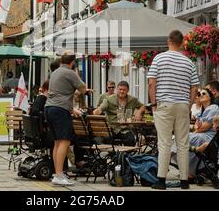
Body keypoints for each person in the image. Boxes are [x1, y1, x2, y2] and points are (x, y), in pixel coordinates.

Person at [148, 30, 199, 190]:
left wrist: (154, 104)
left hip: (164, 104)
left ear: (168, 41)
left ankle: (161, 180)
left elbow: (152, 83)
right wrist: (189, 105)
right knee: (183, 143)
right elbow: (194, 86)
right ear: (182, 42)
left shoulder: (159, 58)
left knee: (164, 143)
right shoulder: (189, 62)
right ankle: (184, 181)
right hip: (183, 105)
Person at [44, 51, 87, 186]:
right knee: (65, 142)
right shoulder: (70, 73)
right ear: (72, 62)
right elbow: (83, 89)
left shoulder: (55, 72)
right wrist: (77, 74)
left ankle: (57, 174)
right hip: (60, 109)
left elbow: (63, 90)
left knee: (57, 142)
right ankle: (59, 175)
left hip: (49, 108)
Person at [172, 88, 219, 179]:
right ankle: (188, 170)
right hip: (202, 135)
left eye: (204, 93)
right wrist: (195, 129)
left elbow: (204, 128)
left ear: (210, 97)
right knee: (181, 138)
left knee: (185, 138)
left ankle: (165, 160)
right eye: (199, 94)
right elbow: (197, 127)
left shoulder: (213, 108)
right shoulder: (202, 111)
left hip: (209, 137)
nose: (200, 95)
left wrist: (195, 130)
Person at [93, 81, 146, 146]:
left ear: (128, 90)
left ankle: (127, 155)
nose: (122, 91)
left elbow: (142, 106)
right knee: (106, 139)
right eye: (120, 89)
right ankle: (114, 155)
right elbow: (100, 109)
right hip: (112, 127)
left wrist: (139, 112)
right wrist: (97, 112)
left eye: (124, 90)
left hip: (125, 128)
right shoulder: (109, 99)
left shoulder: (132, 100)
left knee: (131, 140)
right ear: (117, 89)